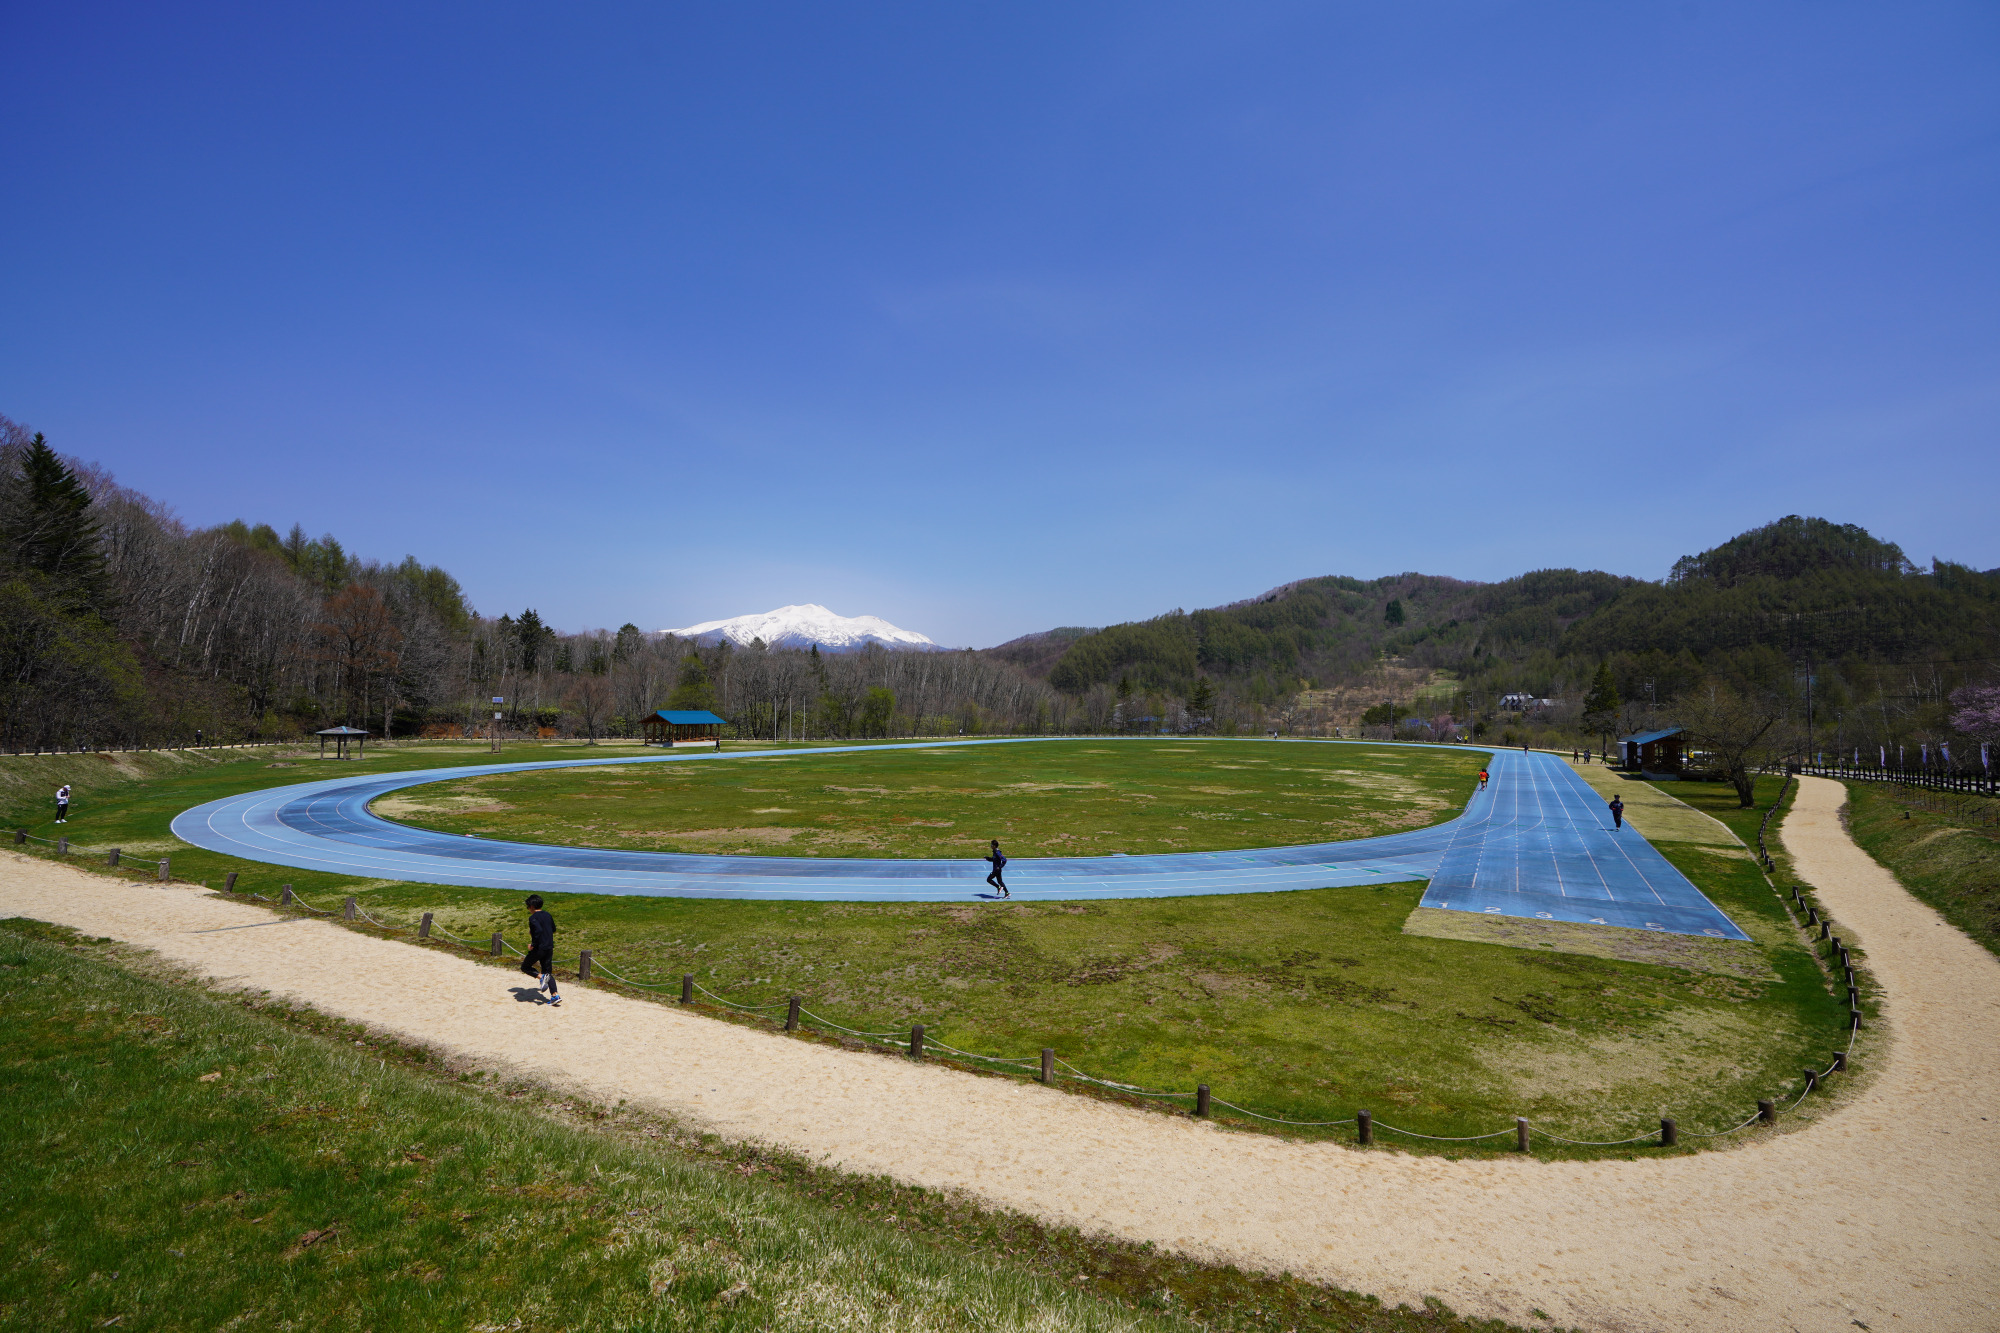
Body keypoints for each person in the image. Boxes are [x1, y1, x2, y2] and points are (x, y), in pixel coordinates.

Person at [521, 894, 561, 1006]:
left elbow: (537, 931)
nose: (528, 909)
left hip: (539, 948)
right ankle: (555, 995)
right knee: (547, 971)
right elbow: (553, 929)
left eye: (528, 906)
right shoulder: (548, 915)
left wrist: (532, 944)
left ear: (532, 906)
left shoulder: (533, 918)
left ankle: (541, 977)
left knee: (525, 966)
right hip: (549, 947)